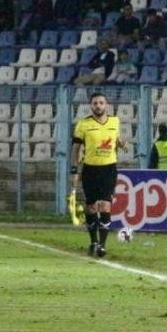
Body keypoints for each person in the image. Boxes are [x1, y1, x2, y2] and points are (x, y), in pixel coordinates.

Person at [70, 92, 125, 258]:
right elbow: (75, 149)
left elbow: (115, 139)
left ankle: (102, 245)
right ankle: (93, 241)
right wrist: (74, 170)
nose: (98, 106)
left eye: (101, 103)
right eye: (95, 103)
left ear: (106, 105)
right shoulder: (83, 124)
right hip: (90, 170)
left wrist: (121, 144)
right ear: (91, 106)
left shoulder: (115, 121)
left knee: (106, 206)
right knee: (92, 207)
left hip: (109, 169)